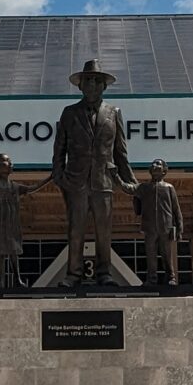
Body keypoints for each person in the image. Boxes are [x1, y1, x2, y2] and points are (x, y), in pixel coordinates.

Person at [51, 58, 134, 284]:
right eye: (88, 81)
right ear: (80, 86)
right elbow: (59, 148)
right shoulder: (69, 113)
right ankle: (73, 274)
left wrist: (131, 183)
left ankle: (104, 273)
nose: (92, 86)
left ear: (104, 86)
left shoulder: (114, 113)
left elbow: (121, 152)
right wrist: (59, 176)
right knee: (75, 231)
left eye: (97, 82)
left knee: (103, 232)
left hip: (104, 181)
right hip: (76, 181)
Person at [0, 152, 44, 291]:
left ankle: (18, 279)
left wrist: (50, 178)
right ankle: (0, 281)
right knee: (0, 253)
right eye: (6, 162)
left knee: (13, 252)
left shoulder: (14, 186)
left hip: (11, 223)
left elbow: (32, 188)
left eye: (10, 162)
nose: (10, 164)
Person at [133, 159, 182, 290]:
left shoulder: (169, 188)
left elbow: (176, 210)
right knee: (151, 254)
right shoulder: (144, 188)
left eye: (158, 164)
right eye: (153, 164)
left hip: (165, 227)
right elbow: (129, 189)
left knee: (166, 253)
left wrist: (179, 229)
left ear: (164, 171)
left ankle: (171, 277)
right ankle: (151, 279)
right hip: (149, 228)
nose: (155, 166)